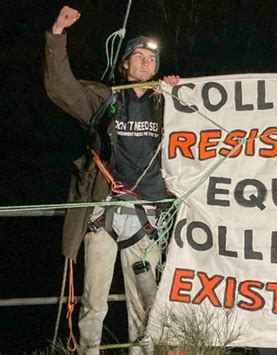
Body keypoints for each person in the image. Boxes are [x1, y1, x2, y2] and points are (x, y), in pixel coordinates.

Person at [45, 5, 180, 354]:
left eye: (152, 59)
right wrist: (57, 36)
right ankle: (89, 350)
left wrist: (180, 95)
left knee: (145, 305)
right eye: (138, 56)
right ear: (124, 64)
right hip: (102, 212)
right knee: (94, 300)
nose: (146, 63)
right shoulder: (105, 99)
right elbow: (61, 88)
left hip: (147, 216)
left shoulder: (167, 106)